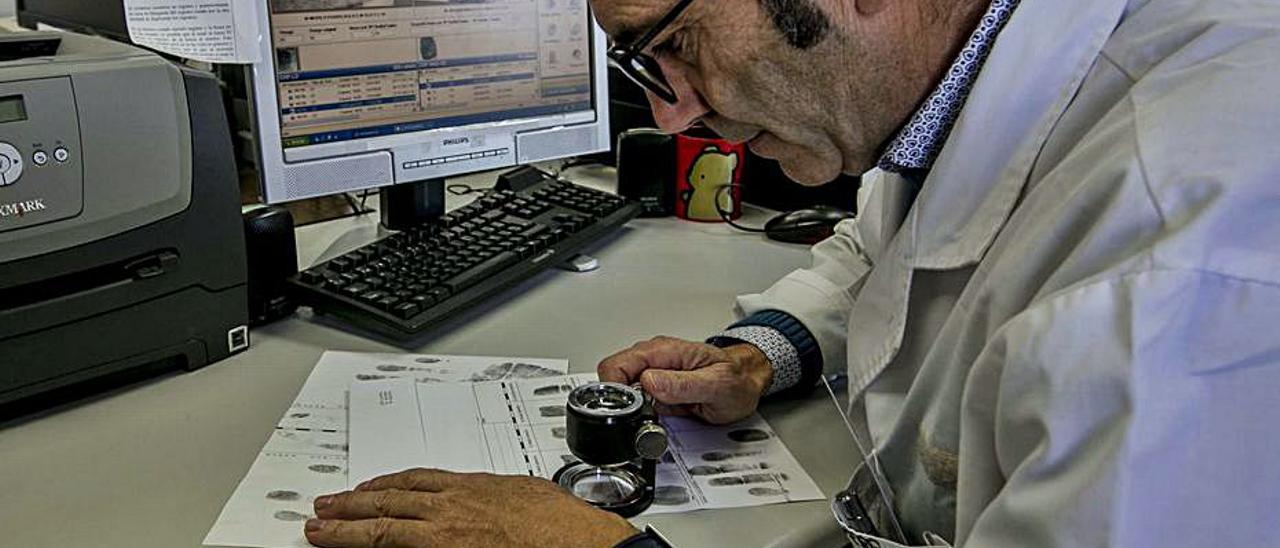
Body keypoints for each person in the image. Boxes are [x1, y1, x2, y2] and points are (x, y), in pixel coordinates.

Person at [302, 0, 1280, 546]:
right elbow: (888, 245)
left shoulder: (1173, 265)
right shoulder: (959, 95)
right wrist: (757, 356)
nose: (673, 117)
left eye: (670, 46)